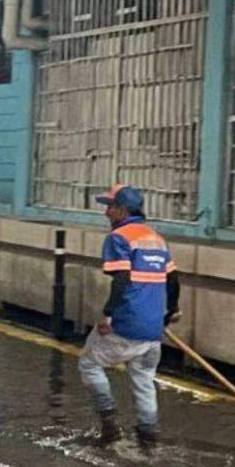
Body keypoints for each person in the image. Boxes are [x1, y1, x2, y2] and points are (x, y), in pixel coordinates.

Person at [78, 184, 181, 445]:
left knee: (89, 364)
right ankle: (148, 436)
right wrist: (171, 311)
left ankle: (110, 425)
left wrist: (108, 315)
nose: (106, 213)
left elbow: (122, 279)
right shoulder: (156, 238)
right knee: (144, 380)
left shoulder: (119, 237)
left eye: (109, 207)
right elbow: (173, 280)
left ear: (123, 210)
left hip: (127, 322)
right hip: (152, 327)